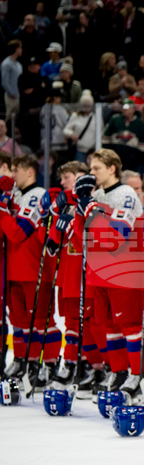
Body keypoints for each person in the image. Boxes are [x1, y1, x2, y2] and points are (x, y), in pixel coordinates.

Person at [73, 149, 144, 405]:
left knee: (130, 328)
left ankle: (137, 377)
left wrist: (91, 209)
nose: (91, 174)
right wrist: (78, 206)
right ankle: (118, 372)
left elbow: (115, 237)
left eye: (96, 169)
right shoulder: (96, 196)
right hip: (98, 272)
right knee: (110, 328)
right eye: (90, 169)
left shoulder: (125, 194)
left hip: (124, 271)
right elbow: (79, 240)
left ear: (112, 168)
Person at [0, 154, 58, 386]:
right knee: (19, 321)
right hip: (13, 269)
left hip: (35, 268)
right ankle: (24, 360)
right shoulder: (16, 196)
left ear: (30, 172)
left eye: (16, 170)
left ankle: (49, 363)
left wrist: (2, 208)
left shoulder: (38, 196)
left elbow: (18, 233)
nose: (12, 175)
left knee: (43, 320)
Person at [45, 161, 99, 390]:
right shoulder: (64, 203)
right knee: (71, 322)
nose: (63, 181)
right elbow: (51, 247)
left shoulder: (91, 202)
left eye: (67, 176)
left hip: (84, 271)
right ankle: (76, 364)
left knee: (85, 323)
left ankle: (81, 365)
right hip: (67, 272)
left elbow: (87, 239)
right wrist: (53, 218)